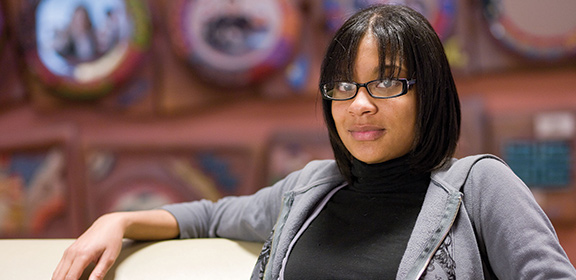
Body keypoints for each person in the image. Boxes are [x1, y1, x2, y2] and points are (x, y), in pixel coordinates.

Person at [52, 4, 576, 280]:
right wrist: (115, 222)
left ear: (430, 92)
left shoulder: (480, 186)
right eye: (343, 86)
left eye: (387, 81)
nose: (360, 104)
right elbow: (209, 218)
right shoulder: (309, 189)